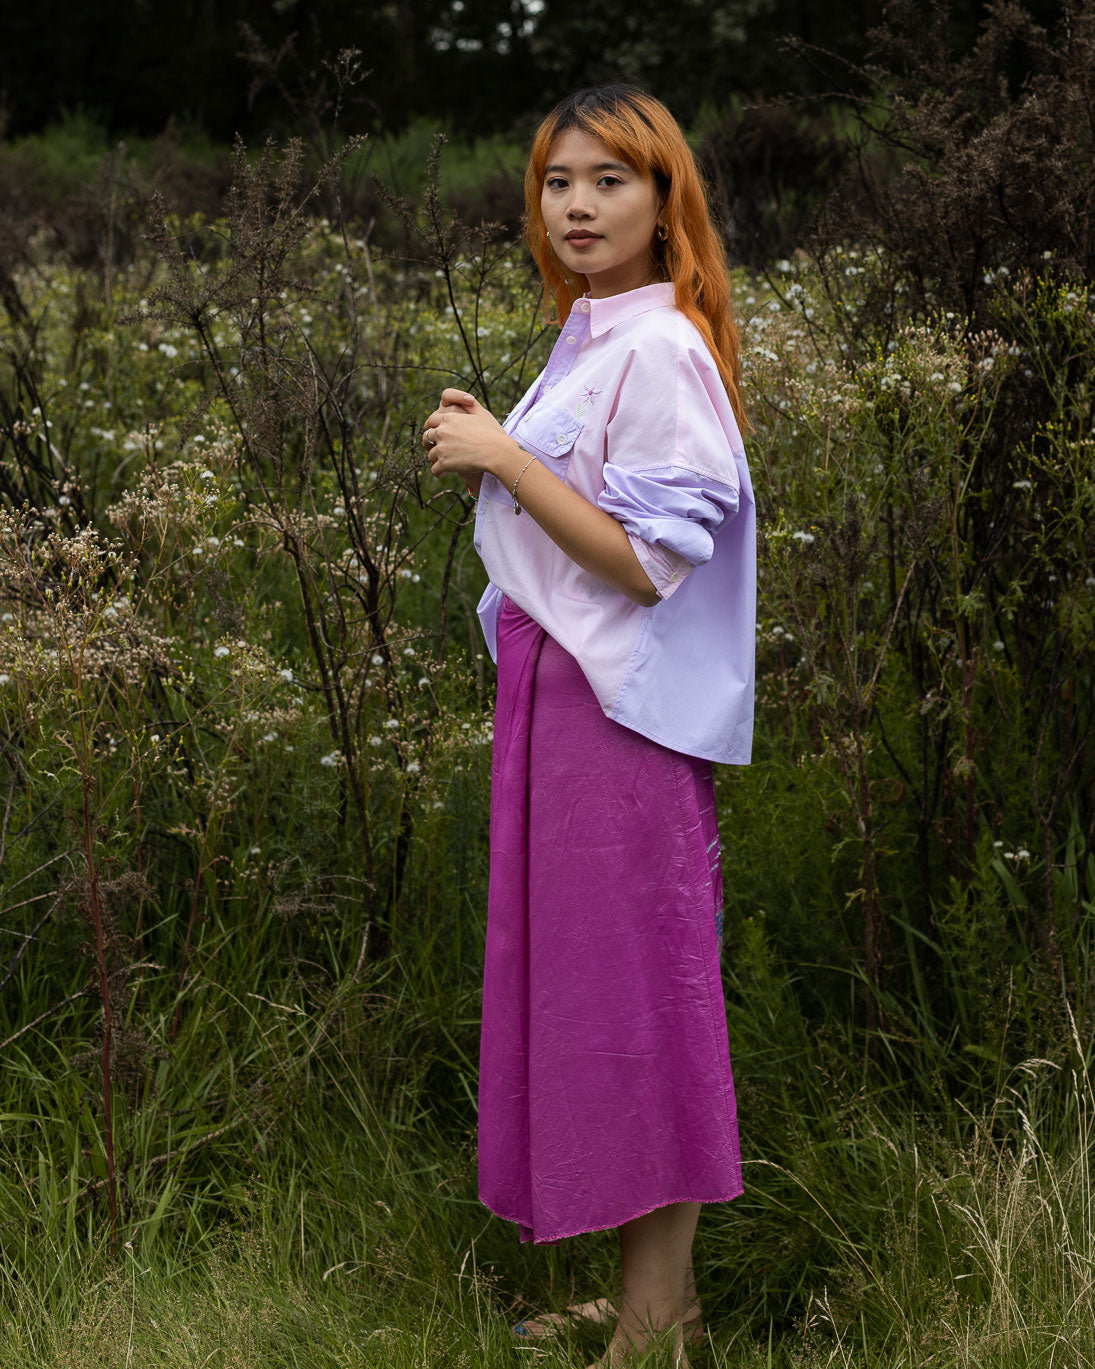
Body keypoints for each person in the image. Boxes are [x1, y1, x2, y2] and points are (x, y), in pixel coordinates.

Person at [421, 84, 755, 1369]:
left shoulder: (661, 348)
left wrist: (506, 458)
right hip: (558, 712)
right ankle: (637, 1292)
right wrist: (508, 446)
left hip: (618, 728)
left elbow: (643, 564)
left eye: (610, 180)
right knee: (587, 1002)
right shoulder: (594, 334)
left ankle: (663, 1322)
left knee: (643, 1006)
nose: (576, 205)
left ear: (666, 199)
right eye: (560, 181)